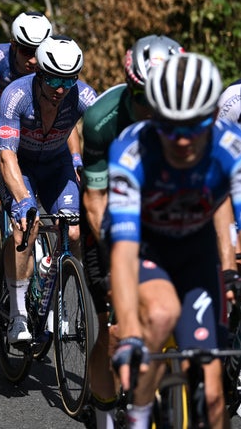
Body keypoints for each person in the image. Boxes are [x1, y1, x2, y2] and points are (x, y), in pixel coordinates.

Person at [108, 53, 237, 429]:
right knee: (161, 313)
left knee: (214, 401)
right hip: (147, 250)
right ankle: (139, 413)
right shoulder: (130, 151)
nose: (181, 140)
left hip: (196, 254)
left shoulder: (233, 146)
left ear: (213, 116)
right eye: (169, 127)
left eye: (193, 126)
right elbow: (123, 249)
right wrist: (130, 329)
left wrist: (232, 269)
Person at [81, 35, 187, 428]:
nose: (153, 108)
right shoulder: (101, 121)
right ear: (130, 86)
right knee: (116, 326)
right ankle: (105, 408)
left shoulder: (192, 113)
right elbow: (95, 201)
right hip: (109, 219)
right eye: (144, 97)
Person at [0, 35, 96, 344]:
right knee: (27, 226)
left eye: (68, 80)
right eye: (53, 79)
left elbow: (109, 135)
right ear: (38, 73)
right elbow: (6, 155)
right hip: (20, 166)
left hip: (56, 164)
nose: (60, 88)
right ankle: (18, 316)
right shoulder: (16, 95)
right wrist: (24, 200)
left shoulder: (83, 96)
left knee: (75, 233)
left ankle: (56, 292)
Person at [0, 11, 53, 321]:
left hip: (22, 128)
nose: (32, 59)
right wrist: (4, 163)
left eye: (38, 51)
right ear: (14, 45)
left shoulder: (49, 65)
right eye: (26, 51)